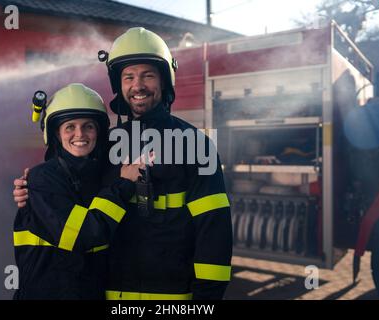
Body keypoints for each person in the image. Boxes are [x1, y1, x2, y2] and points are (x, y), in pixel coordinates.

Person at [14, 27, 233, 300]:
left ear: (165, 81)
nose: (138, 85)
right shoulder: (106, 145)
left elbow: (214, 230)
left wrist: (206, 301)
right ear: (119, 85)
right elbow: (69, 189)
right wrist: (31, 185)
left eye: (148, 76)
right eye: (128, 77)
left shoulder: (194, 145)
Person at [13, 83, 145, 299]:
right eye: (70, 127)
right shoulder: (41, 179)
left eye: (88, 126)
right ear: (56, 133)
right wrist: (124, 186)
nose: (80, 134)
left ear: (99, 132)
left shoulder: (96, 176)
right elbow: (83, 236)